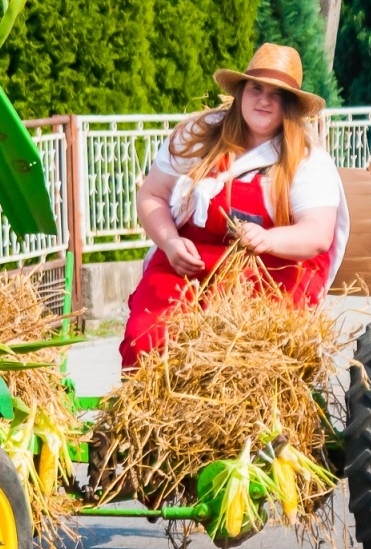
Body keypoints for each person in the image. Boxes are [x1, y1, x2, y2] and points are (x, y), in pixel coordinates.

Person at [121, 43, 351, 367]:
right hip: (191, 265)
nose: (264, 100)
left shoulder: (308, 160)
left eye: (277, 94)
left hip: (271, 272)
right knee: (146, 338)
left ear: (291, 106)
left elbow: (317, 234)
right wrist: (169, 242)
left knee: (242, 351)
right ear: (241, 91)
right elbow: (151, 196)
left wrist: (269, 239)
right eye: (256, 88)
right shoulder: (196, 137)